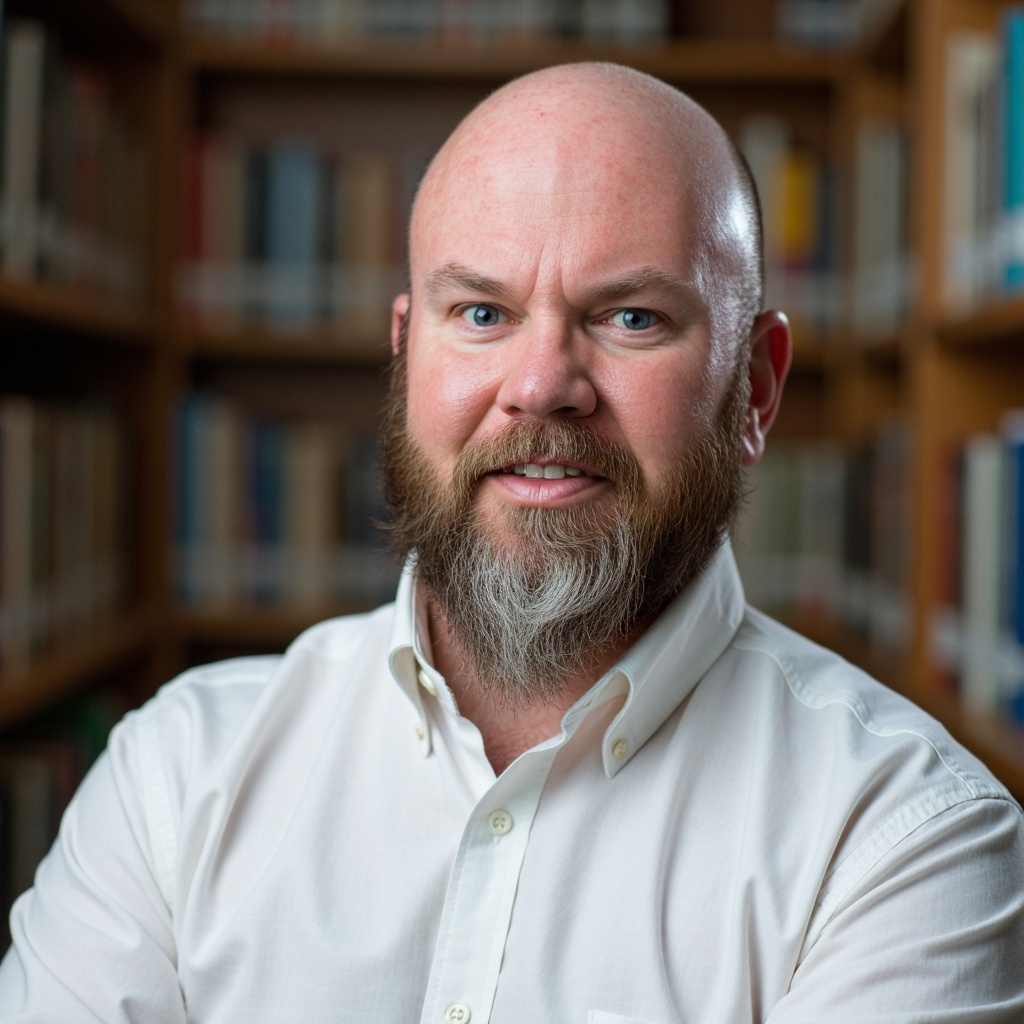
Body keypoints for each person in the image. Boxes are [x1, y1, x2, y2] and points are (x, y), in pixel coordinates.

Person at [1, 62, 1022, 1024]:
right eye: (481, 311)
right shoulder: (175, 779)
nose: (540, 385)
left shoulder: (905, 836)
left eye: (629, 316)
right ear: (407, 355)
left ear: (753, 387)